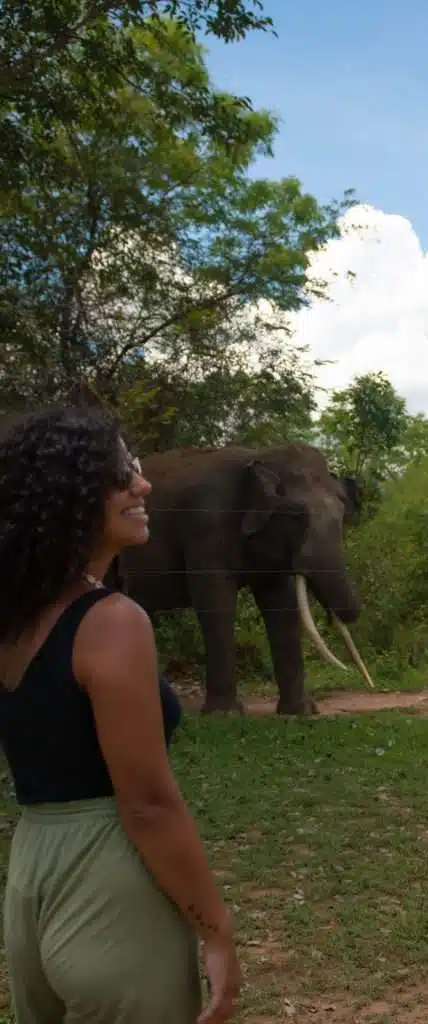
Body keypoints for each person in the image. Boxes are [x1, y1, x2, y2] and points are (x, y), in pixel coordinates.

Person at [0, 405, 243, 1024]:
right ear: (71, 496)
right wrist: (216, 931)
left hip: (30, 877)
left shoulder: (15, 620)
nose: (143, 485)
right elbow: (147, 806)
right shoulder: (112, 621)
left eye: (134, 469)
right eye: (121, 476)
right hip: (109, 884)